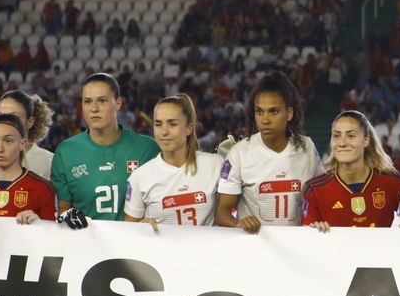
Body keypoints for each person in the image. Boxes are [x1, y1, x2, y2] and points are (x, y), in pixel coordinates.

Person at [215, 72, 323, 231]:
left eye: (273, 111)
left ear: (289, 113)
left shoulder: (306, 147)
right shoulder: (239, 153)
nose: (265, 120)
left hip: (298, 246)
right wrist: (238, 223)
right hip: (256, 248)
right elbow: (221, 213)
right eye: (259, 111)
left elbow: (322, 197)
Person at [52, 72, 160, 220]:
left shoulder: (148, 148)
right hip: (85, 242)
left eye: (102, 101)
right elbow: (63, 212)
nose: (94, 108)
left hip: (135, 242)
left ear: (118, 103)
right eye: (87, 101)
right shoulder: (65, 152)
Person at [125, 94, 223, 228]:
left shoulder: (216, 165)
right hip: (161, 249)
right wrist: (141, 226)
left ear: (189, 128)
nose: (164, 131)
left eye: (172, 124)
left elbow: (231, 212)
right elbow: (128, 231)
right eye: (158, 124)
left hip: (208, 249)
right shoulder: (139, 177)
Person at [303, 110, 400, 230]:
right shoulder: (315, 189)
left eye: (350, 136)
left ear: (366, 140)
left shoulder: (393, 183)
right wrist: (314, 231)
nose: (342, 143)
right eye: (336, 136)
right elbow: (307, 239)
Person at [0, 89, 56, 181]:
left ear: (30, 122)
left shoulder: (50, 162)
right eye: (0, 116)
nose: (5, 121)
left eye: (14, 116)